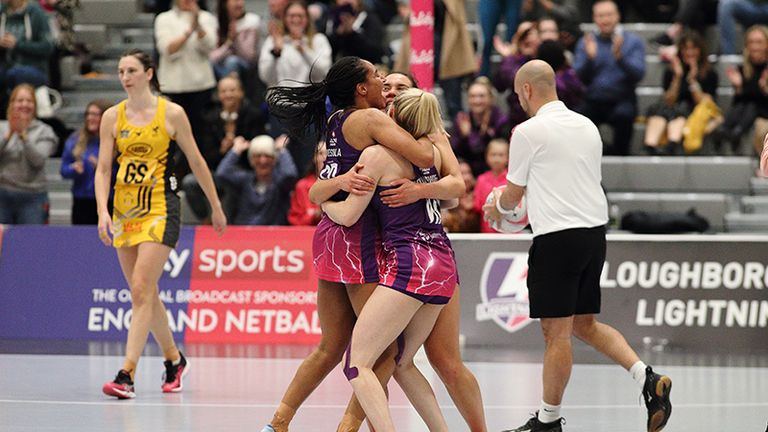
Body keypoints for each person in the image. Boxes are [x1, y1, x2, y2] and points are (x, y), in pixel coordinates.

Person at [483, 60, 672, 432]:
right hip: (593, 235)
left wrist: (495, 209)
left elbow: (512, 197)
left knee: (556, 335)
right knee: (585, 324)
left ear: (526, 91)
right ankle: (648, 379)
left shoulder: (527, 131)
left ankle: (548, 422)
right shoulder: (587, 126)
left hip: (557, 238)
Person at [260, 56, 434, 432]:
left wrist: (332, 190)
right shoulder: (370, 120)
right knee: (382, 351)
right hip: (357, 240)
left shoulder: (337, 121)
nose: (383, 79)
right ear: (361, 88)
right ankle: (348, 428)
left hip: (328, 237)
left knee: (330, 346)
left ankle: (277, 423)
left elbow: (317, 191)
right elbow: (423, 156)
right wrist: (429, 129)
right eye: (376, 75)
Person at [321, 88, 464, 432]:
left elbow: (349, 215)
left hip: (411, 262)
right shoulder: (433, 150)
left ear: (395, 117)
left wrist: (325, 202)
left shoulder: (378, 154)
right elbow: (457, 188)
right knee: (401, 362)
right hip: (443, 263)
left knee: (357, 364)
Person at [94, 49, 226, 400]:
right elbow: (104, 169)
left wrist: (215, 205)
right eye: (121, 70)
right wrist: (102, 212)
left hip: (161, 208)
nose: (125, 77)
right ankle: (174, 359)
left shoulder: (172, 114)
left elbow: (197, 161)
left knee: (140, 288)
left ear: (149, 73)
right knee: (145, 294)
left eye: (132, 70)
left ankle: (127, 374)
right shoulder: (112, 116)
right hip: (124, 212)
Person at [183, 74, 266, 222]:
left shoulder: (253, 115)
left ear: (241, 92)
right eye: (224, 91)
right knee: (190, 182)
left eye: (232, 90)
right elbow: (205, 155)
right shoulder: (209, 118)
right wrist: (223, 150)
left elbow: (259, 151)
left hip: (245, 173)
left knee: (230, 185)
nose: (228, 95)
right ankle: (205, 220)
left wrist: (238, 149)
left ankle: (226, 229)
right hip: (217, 172)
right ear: (219, 95)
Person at [154, 0, 218, 177]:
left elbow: (210, 46)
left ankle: (199, 177)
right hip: (172, 85)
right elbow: (166, 48)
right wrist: (189, 31)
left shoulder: (206, 18)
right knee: (171, 135)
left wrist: (198, 25)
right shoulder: (163, 19)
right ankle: (172, 176)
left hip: (201, 85)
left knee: (199, 135)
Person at [573, 0, 645, 156]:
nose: (605, 20)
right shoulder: (587, 42)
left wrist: (621, 58)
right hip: (592, 100)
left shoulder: (632, 41)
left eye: (609, 15)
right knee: (576, 117)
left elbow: (639, 74)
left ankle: (620, 155)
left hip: (622, 99)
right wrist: (589, 59)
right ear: (594, 18)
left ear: (618, 16)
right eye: (601, 16)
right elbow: (577, 76)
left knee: (625, 115)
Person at [643, 31, 719, 155]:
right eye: (685, 49)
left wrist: (692, 81)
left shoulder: (710, 73)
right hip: (671, 108)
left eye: (693, 48)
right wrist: (677, 77)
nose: (689, 53)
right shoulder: (671, 71)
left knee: (681, 111)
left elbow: (704, 103)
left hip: (693, 110)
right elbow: (669, 100)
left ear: (700, 50)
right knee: (660, 111)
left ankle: (671, 146)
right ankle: (650, 146)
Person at [0, 83, 57, 224]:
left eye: (29, 101)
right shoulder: (1, 127)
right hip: (2, 193)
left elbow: (37, 161)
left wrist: (23, 136)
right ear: (12, 104)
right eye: (20, 100)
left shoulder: (45, 131)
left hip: (33, 197)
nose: (24, 105)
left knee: (31, 243)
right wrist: (9, 135)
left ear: (35, 106)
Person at [215, 134, 298, 225]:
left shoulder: (280, 183)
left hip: (273, 235)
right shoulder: (244, 180)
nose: (263, 161)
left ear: (274, 159)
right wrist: (236, 150)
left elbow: (290, 174)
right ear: (251, 159)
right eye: (257, 156)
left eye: (268, 156)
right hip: (244, 234)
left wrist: (282, 150)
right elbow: (222, 174)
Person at [712, 25, 768, 155]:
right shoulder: (743, 68)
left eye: (759, 42)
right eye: (751, 42)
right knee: (745, 105)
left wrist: (765, 89)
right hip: (747, 111)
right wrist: (738, 88)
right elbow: (739, 102)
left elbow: (759, 99)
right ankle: (727, 130)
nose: (755, 46)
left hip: (764, 110)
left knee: (752, 106)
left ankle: (736, 131)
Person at [60, 99, 112, 224]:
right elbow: (63, 170)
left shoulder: (115, 142)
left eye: (95, 114)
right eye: (88, 114)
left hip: (109, 199)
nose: (90, 118)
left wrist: (103, 168)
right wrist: (74, 169)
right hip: (82, 200)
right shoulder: (75, 140)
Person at [0, 0, 55, 113]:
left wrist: (18, 44)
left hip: (35, 68)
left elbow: (48, 47)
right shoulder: (2, 11)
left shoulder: (36, 13)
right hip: (6, 66)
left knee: (15, 74)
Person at [450, 76, 509, 177]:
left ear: (490, 98)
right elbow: (455, 152)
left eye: (481, 96)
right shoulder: (463, 119)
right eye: (472, 96)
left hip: (495, 173)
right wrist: (464, 137)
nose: (477, 101)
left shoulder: (500, 120)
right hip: (469, 175)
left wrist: (470, 135)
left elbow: (500, 153)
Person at [209, 0, 261, 81]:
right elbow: (212, 58)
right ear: (224, 4)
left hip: (247, 67)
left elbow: (249, 57)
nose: (239, 3)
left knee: (232, 61)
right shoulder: (215, 22)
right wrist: (229, 42)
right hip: (221, 65)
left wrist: (236, 39)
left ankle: (230, 89)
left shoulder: (251, 21)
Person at [473, 138, 509, 233]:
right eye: (493, 155)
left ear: (508, 158)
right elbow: (477, 206)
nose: (497, 159)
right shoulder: (481, 179)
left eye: (501, 155)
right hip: (487, 231)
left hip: (510, 231)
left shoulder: (512, 180)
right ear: (487, 157)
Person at [287, 140, 326, 225]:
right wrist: (314, 215)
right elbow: (295, 220)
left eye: (329, 154)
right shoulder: (302, 186)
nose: (325, 158)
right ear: (314, 158)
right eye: (320, 153)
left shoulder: (342, 185)